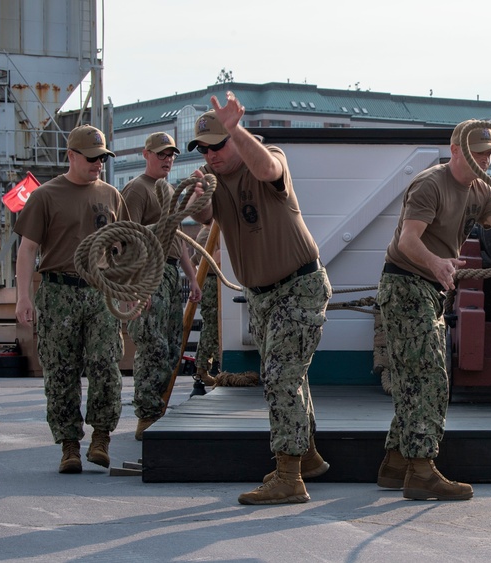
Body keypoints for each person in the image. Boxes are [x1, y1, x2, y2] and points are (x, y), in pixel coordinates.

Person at [375, 119, 491, 501]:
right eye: (477, 154)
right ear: (455, 150)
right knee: (431, 378)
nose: (484, 162)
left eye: (488, 155)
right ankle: (421, 472)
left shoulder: (480, 190)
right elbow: (408, 241)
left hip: (428, 287)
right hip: (405, 284)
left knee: (414, 377)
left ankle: (395, 465)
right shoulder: (430, 184)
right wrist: (437, 263)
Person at [188, 92, 332, 505]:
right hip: (262, 296)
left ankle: (288, 477)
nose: (211, 154)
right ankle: (307, 456)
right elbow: (199, 214)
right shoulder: (211, 179)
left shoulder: (269, 158)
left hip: (298, 286)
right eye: (204, 149)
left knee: (281, 377)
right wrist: (198, 189)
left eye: (218, 145)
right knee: (288, 376)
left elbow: (268, 168)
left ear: (235, 139)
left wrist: (235, 127)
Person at [14, 125, 128, 473]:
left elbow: (122, 250)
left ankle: (101, 437)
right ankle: (69, 446)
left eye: (102, 158)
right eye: (91, 158)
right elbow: (28, 249)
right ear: (72, 156)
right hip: (58, 291)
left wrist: (129, 292)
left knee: (106, 365)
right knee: (60, 372)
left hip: (100, 291)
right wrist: (23, 297)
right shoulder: (45, 196)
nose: (97, 164)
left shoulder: (111, 195)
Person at [123, 132, 201, 440]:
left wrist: (192, 278)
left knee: (170, 348)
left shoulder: (168, 191)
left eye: (171, 155)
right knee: (151, 346)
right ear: (146, 155)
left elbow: (179, 241)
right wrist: (134, 288)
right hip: (147, 272)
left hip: (169, 274)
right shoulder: (136, 190)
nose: (167, 159)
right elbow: (126, 238)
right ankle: (146, 416)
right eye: (161, 154)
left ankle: (158, 411)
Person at [193, 218, 222, 385]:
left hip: (211, 281)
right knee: (212, 327)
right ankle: (202, 368)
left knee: (212, 326)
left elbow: (193, 260)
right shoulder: (208, 234)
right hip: (212, 282)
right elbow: (213, 258)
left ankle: (203, 368)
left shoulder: (207, 233)